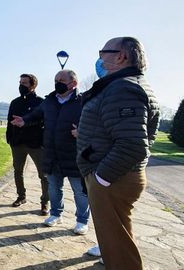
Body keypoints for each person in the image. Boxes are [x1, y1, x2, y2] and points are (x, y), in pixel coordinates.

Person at [77, 37, 159, 269]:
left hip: (113, 178)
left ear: (121, 56)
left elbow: (133, 144)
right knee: (118, 242)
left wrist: (101, 178)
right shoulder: (127, 83)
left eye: (103, 51)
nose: (100, 57)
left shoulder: (124, 87)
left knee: (118, 251)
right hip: (115, 175)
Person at [11, 70, 89, 235]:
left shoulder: (83, 101)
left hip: (73, 153)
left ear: (73, 83)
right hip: (52, 153)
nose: (57, 83)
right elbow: (36, 114)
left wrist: (83, 131)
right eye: (55, 80)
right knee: (54, 187)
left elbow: (94, 121)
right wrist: (24, 120)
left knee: (79, 190)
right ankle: (56, 214)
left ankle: (82, 220)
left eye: (61, 80)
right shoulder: (50, 101)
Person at [6, 73, 49, 215]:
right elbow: (8, 122)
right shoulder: (15, 102)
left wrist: (26, 122)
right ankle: (21, 196)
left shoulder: (41, 102)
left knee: (43, 174)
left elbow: (43, 121)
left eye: (24, 83)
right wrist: (9, 138)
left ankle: (45, 202)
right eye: (20, 82)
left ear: (33, 85)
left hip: (35, 143)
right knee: (18, 171)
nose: (21, 85)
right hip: (17, 143)